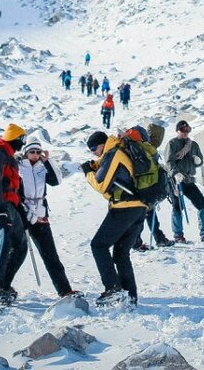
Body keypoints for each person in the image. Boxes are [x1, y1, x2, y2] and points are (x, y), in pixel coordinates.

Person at [81, 129, 147, 305]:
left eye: (94, 148)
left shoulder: (114, 152)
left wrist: (88, 173)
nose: (94, 152)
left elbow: (102, 185)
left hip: (124, 207)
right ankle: (130, 297)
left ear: (103, 144)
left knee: (98, 245)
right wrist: (96, 166)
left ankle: (112, 289)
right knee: (121, 253)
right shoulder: (119, 150)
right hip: (139, 208)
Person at [16, 140, 77, 298]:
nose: (35, 155)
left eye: (38, 152)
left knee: (50, 254)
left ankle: (65, 290)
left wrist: (47, 161)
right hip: (23, 213)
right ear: (26, 153)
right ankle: (2, 286)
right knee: (16, 252)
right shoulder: (19, 167)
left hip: (41, 215)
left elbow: (56, 181)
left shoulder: (41, 168)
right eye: (32, 152)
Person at [0, 123, 30, 303]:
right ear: (15, 138)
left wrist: (20, 209)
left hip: (12, 207)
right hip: (2, 207)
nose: (23, 143)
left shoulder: (10, 157)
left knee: (20, 246)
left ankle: (4, 284)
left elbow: (13, 186)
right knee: (1, 246)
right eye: (22, 139)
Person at [165, 120, 204, 242]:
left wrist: (198, 161)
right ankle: (178, 236)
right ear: (177, 131)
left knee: (202, 204)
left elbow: (200, 160)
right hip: (175, 181)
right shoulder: (172, 143)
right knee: (177, 207)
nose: (185, 133)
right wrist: (175, 174)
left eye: (187, 130)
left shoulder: (193, 145)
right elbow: (169, 161)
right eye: (182, 130)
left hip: (189, 180)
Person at [134, 121, 173, 250]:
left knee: (148, 213)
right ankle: (137, 242)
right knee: (142, 214)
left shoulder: (142, 146)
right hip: (144, 187)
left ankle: (157, 238)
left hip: (143, 186)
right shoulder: (145, 148)